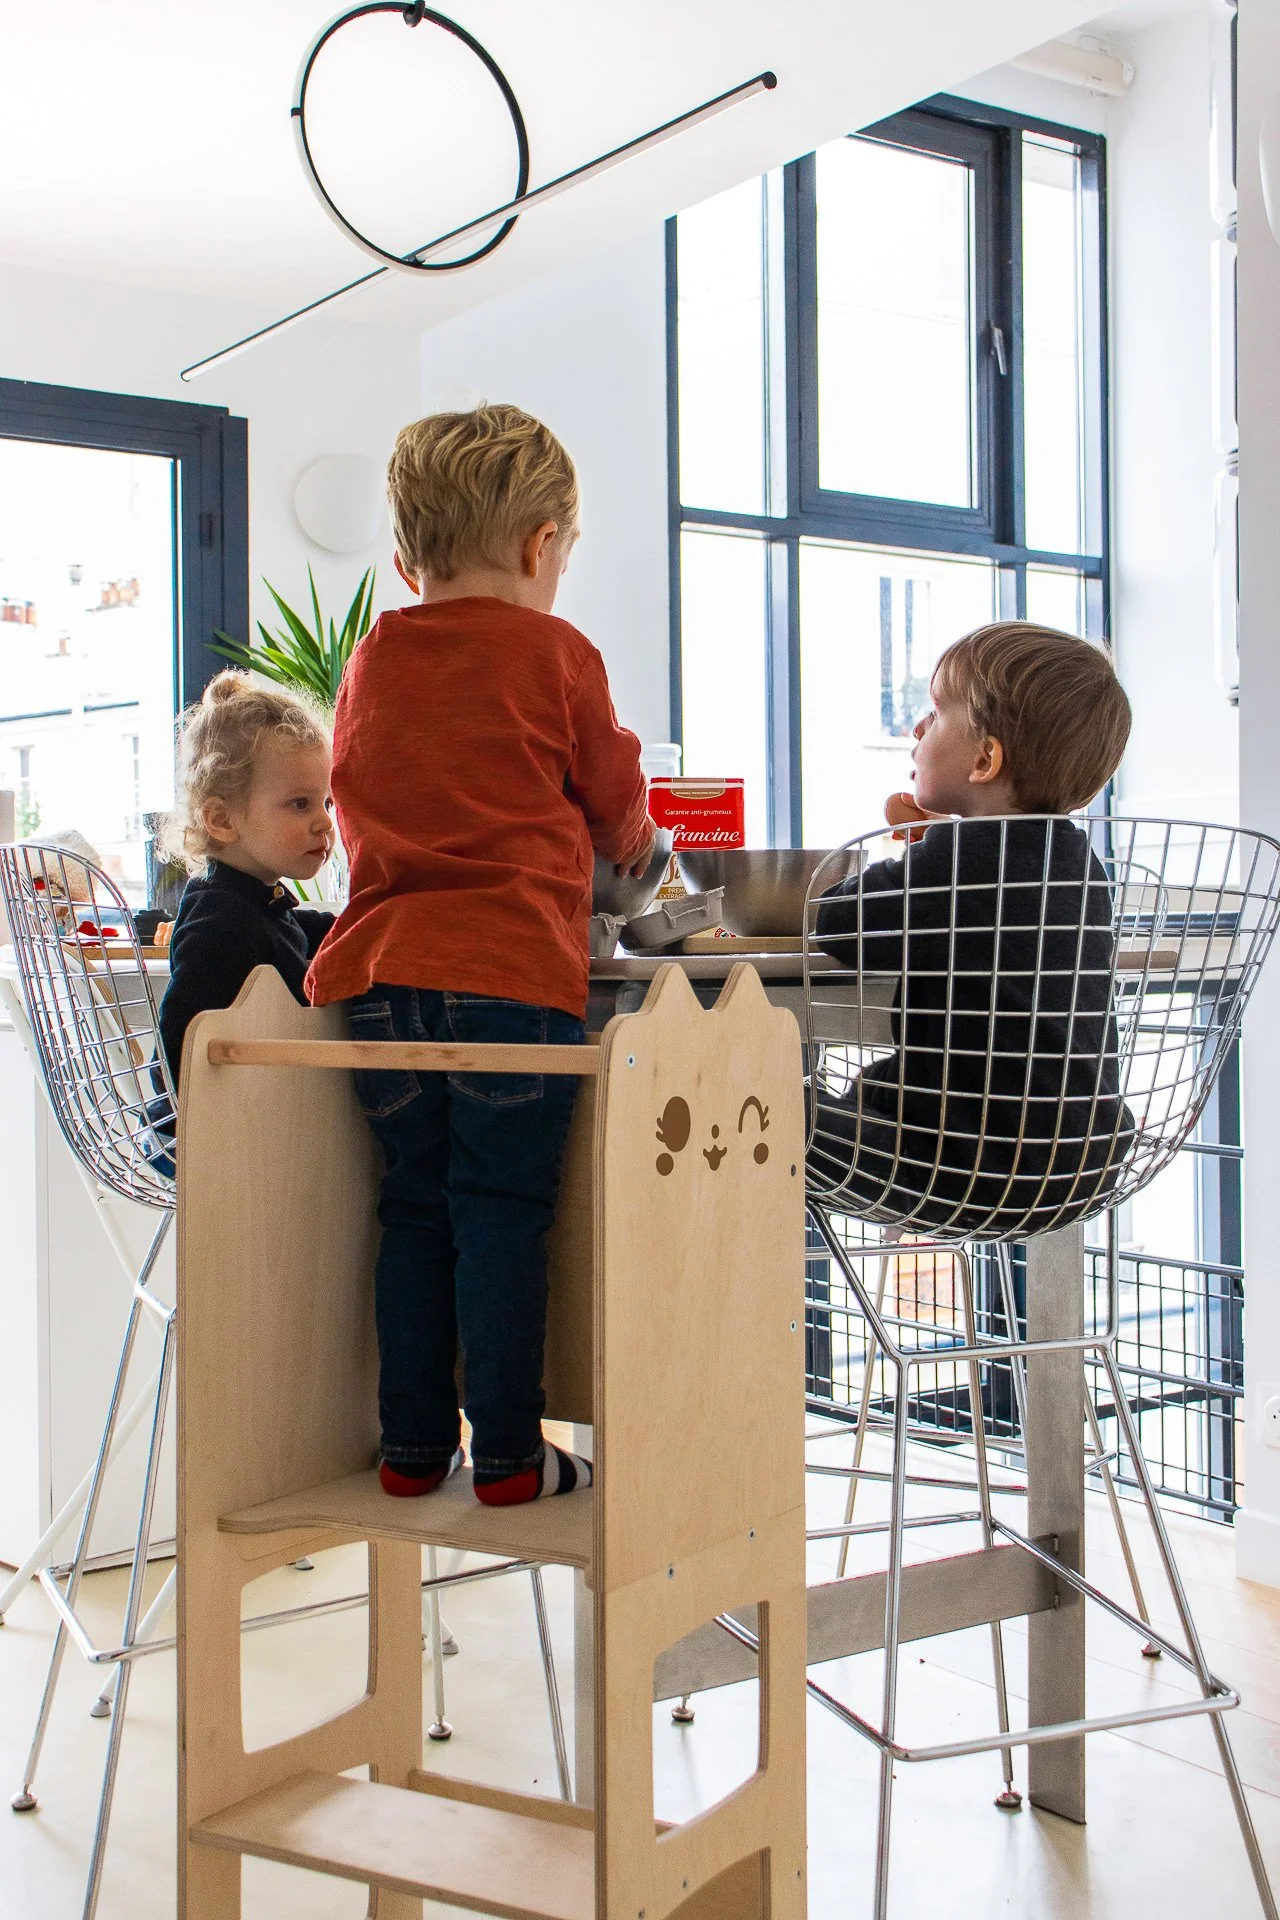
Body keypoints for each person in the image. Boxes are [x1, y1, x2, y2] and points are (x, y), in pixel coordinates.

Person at [306, 404, 653, 1507]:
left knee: (413, 1210)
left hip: (380, 983)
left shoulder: (371, 658)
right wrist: (634, 851)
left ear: (407, 559)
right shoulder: (558, 653)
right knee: (500, 1211)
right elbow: (612, 805)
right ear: (542, 545)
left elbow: (363, 808)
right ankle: (508, 1453)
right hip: (508, 978)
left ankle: (411, 1448)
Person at [812, 621, 1135, 1236]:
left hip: (969, 1168)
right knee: (877, 1087)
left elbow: (833, 920)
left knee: (764, 1110)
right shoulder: (1077, 862)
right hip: (1082, 1165)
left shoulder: (960, 860)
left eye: (936, 714)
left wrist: (920, 844)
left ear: (985, 759)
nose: (917, 729)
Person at [155, 673, 336, 1092]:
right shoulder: (222, 921)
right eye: (300, 803)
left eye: (326, 801)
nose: (326, 821)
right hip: (216, 1143)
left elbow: (298, 932)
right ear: (221, 820)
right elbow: (182, 1050)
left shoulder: (255, 906)